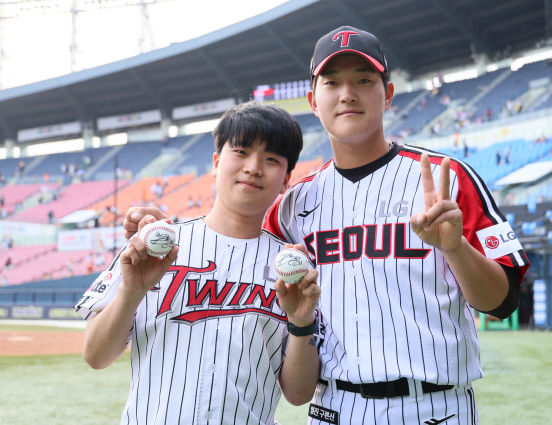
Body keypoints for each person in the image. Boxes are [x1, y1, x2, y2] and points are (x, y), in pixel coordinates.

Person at [125, 26, 528, 424]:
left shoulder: (445, 178)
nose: (347, 93)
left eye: (363, 80)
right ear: (313, 101)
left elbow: (503, 301)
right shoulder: (291, 205)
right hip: (333, 406)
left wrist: (455, 249)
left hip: (434, 406)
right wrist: (163, 231)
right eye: (332, 82)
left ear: (387, 94)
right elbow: (232, 246)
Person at [79, 101, 322, 424]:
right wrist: (131, 291)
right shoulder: (153, 247)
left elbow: (298, 394)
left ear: (287, 179)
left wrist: (301, 321)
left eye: (272, 159)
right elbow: (96, 356)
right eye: (241, 151)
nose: (253, 167)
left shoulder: (292, 271)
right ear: (216, 162)